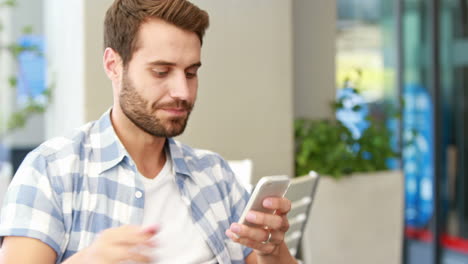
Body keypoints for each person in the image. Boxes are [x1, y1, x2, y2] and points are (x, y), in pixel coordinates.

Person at [0, 0, 297, 263]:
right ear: (113, 65)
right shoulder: (52, 171)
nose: (182, 91)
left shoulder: (216, 176)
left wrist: (272, 252)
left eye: (191, 73)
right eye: (161, 72)